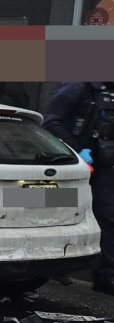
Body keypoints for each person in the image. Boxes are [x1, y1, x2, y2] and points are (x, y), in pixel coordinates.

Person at [43, 82, 114, 295]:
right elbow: (51, 122)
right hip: (75, 164)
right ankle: (52, 266)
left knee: (107, 215)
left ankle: (106, 277)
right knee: (58, 209)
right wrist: (76, 150)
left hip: (103, 164)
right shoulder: (79, 88)